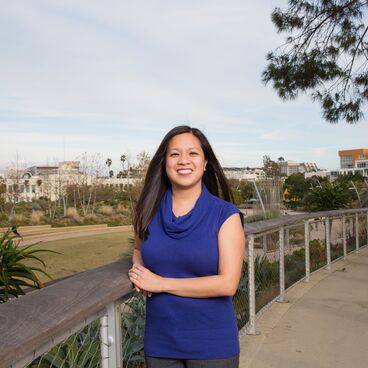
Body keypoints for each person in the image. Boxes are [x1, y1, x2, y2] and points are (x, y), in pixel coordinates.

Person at [128, 126, 245, 368]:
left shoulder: (225, 215)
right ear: (164, 163)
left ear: (205, 163)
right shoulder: (146, 211)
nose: (183, 160)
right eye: (174, 154)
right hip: (160, 342)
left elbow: (227, 283)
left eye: (193, 153)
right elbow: (139, 249)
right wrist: (138, 267)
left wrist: (160, 283)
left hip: (212, 345)